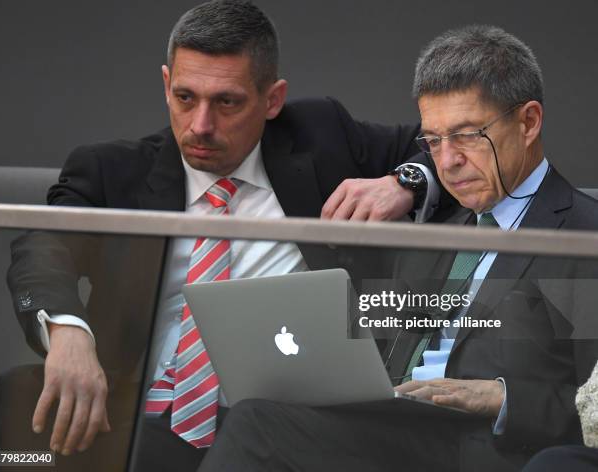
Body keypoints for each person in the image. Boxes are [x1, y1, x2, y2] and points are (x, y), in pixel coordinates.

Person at [0, 0, 441, 472]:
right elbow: (44, 243)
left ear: (273, 99)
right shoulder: (112, 170)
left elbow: (449, 142)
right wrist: (68, 333)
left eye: (227, 102)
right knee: (15, 403)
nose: (201, 126)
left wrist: (404, 183)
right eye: (185, 97)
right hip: (140, 413)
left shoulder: (322, 136)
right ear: (166, 85)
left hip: (282, 425)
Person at [197, 25, 598, 472]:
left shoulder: (582, 237)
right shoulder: (435, 230)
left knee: (255, 427)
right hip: (396, 430)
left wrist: (502, 399)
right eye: (434, 140)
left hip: (488, 449)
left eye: (467, 135)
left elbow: (593, 414)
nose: (447, 161)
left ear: (528, 123)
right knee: (251, 415)